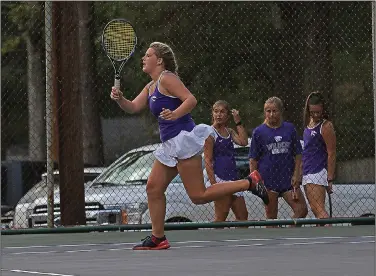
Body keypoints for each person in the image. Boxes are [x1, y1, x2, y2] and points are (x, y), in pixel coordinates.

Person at [110, 42, 269, 250]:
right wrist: (120, 99)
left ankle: (249, 182)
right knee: (153, 188)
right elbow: (133, 107)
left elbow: (191, 100)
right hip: (169, 145)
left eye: (148, 55)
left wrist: (175, 114)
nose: (143, 58)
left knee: (198, 196)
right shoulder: (150, 87)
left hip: (183, 141)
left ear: (159, 60)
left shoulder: (168, 78)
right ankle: (158, 238)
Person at [248, 96, 308, 226]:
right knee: (271, 218)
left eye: (274, 111)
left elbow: (298, 154)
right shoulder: (259, 132)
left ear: (280, 111)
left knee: (302, 210)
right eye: (268, 111)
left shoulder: (289, 129)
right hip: (268, 180)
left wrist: (297, 174)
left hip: (287, 179)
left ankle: (288, 233)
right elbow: (253, 159)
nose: (271, 114)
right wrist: (256, 181)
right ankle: (274, 242)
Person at [204, 100, 249, 224]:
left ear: (228, 115)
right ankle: (215, 242)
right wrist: (214, 184)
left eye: (222, 112)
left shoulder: (230, 131)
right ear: (212, 114)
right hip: (220, 179)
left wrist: (238, 121)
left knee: (242, 216)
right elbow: (207, 160)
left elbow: (244, 142)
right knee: (221, 217)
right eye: (216, 111)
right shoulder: (210, 133)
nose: (218, 115)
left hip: (233, 179)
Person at [302, 91, 336, 221]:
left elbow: (331, 152)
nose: (316, 115)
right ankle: (324, 236)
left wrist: (330, 178)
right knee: (316, 210)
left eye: (318, 112)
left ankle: (330, 234)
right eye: (312, 112)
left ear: (323, 110)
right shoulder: (308, 124)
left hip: (317, 172)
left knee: (319, 210)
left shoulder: (326, 126)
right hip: (307, 171)